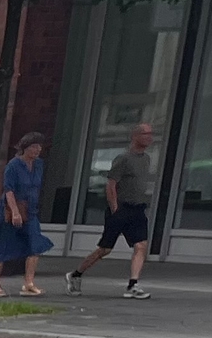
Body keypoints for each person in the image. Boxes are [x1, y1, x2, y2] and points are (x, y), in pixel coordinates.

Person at [67, 122, 156, 299]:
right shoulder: (123, 158)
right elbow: (111, 184)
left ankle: (133, 284)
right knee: (105, 249)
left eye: (150, 134)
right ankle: (76, 274)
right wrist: (115, 207)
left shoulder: (146, 159)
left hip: (137, 208)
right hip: (121, 208)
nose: (149, 137)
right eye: (145, 134)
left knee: (141, 246)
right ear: (135, 136)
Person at [0, 131, 51, 297]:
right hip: (10, 210)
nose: (38, 150)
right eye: (34, 146)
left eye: (39, 146)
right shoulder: (13, 165)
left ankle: (29, 283)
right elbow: (9, 190)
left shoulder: (38, 165)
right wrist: (15, 212)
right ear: (25, 148)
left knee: (35, 244)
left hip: (30, 210)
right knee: (2, 245)